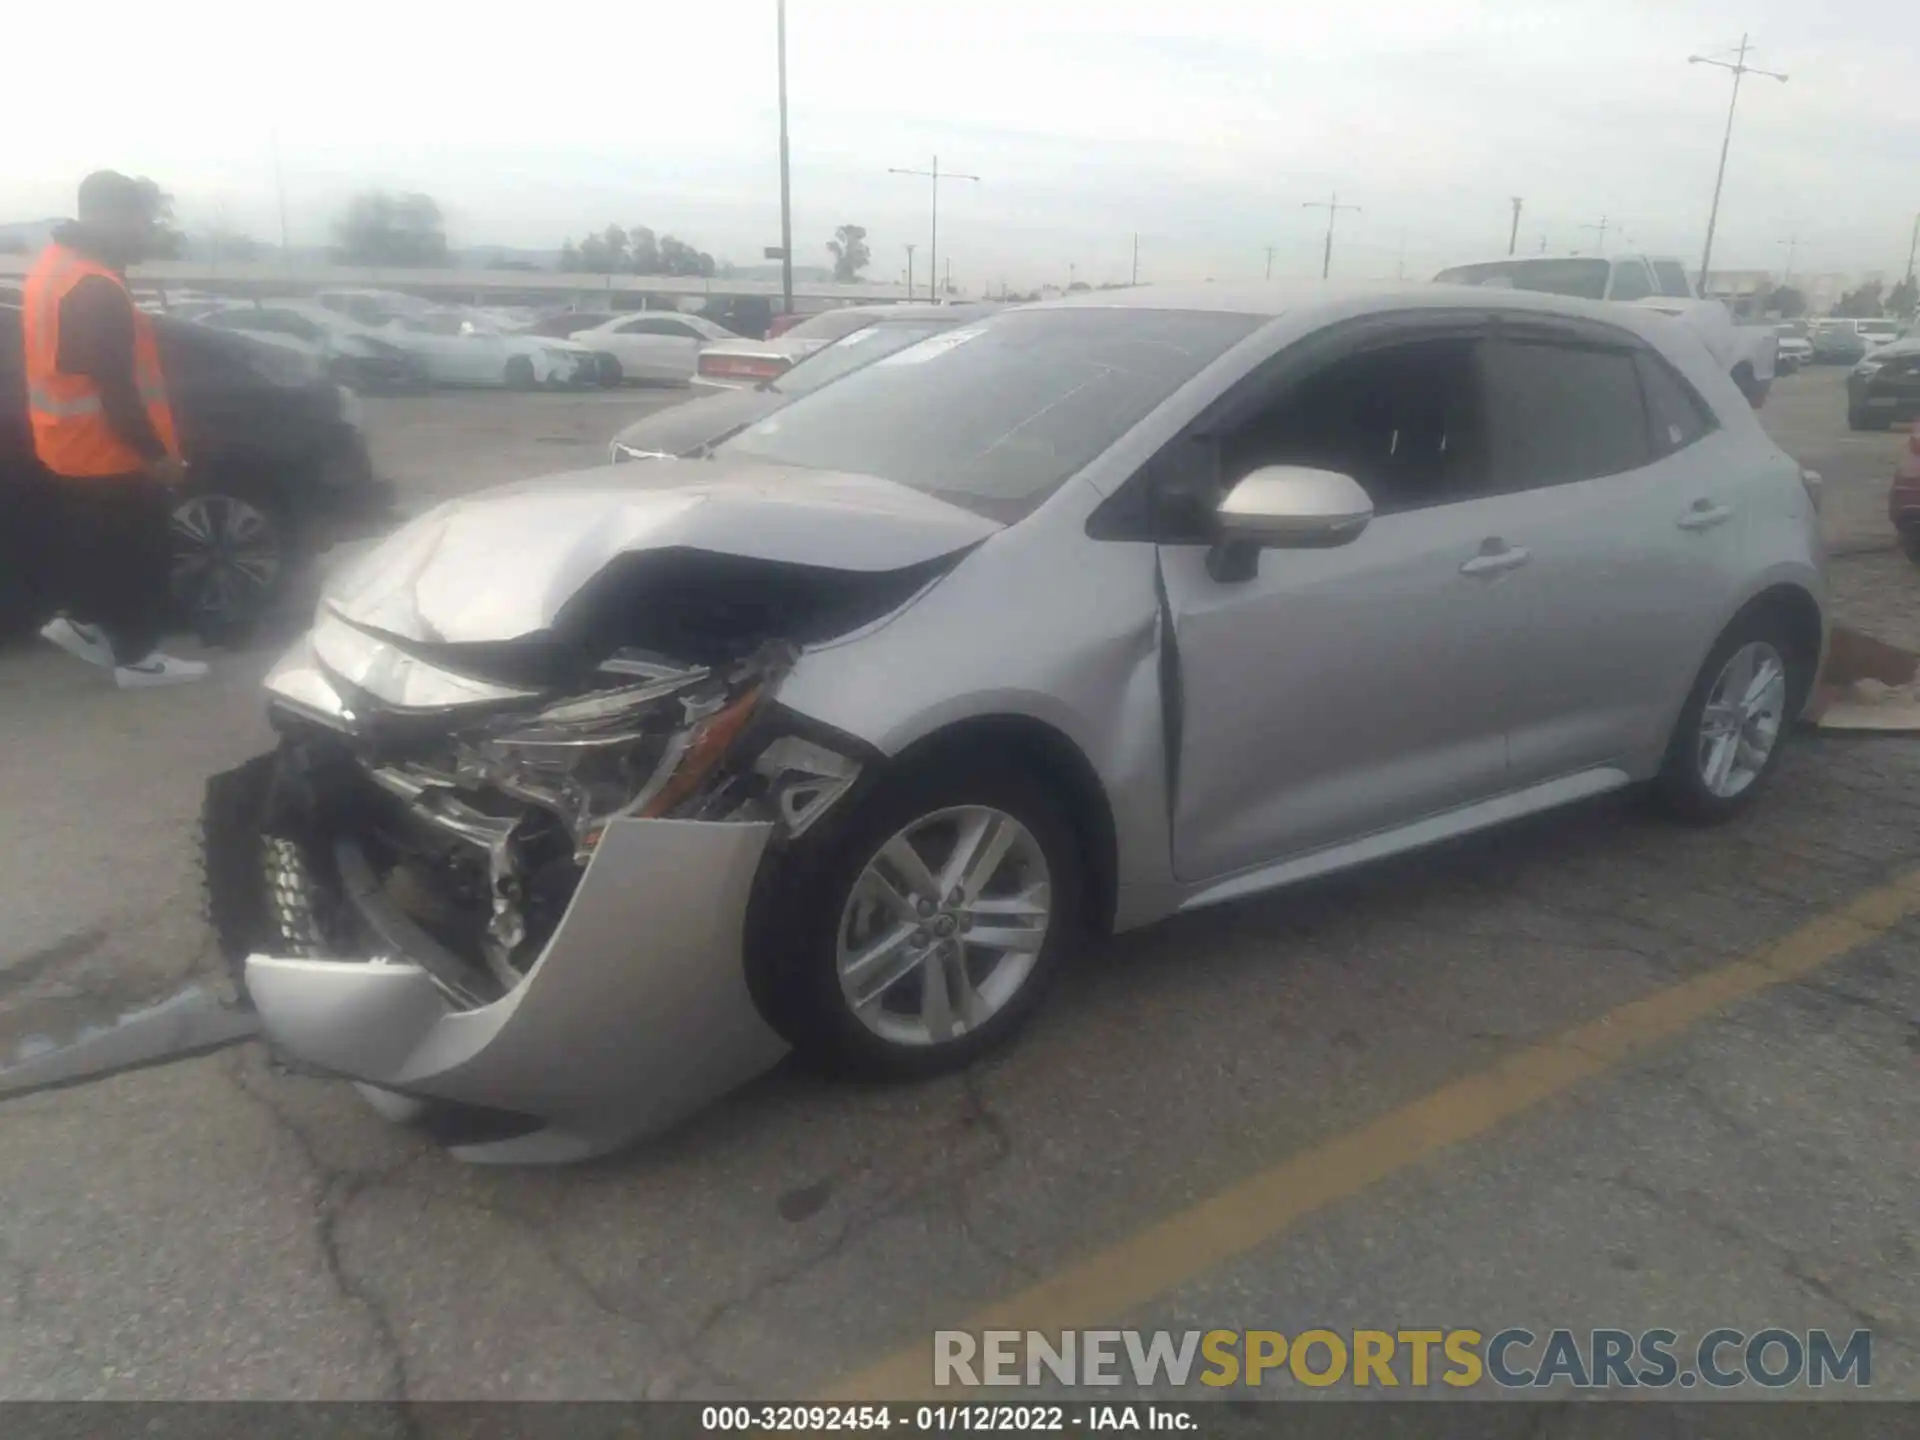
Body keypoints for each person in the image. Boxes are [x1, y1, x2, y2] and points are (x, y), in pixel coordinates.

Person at [22, 170, 207, 688]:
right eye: (143, 220)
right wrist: (156, 455)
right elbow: (117, 386)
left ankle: (79, 622)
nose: (147, 231)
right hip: (110, 447)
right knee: (137, 554)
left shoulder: (53, 268)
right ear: (112, 217)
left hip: (67, 442)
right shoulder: (95, 285)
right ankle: (137, 659)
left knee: (96, 544)